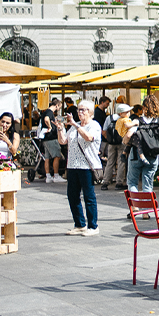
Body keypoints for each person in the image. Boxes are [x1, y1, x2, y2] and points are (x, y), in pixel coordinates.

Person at [63, 99, 102, 236]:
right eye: (78, 109)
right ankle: (79, 224)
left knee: (88, 196)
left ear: (90, 112)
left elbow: (88, 137)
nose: (79, 112)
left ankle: (93, 226)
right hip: (72, 165)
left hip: (87, 166)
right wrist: (59, 127)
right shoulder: (75, 126)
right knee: (72, 195)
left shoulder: (94, 125)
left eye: (83, 110)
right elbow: (63, 141)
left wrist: (73, 124)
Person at [125, 97, 159, 193]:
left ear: (144, 108)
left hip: (136, 155)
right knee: (148, 184)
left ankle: (135, 206)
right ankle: (146, 206)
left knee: (132, 182)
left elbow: (128, 135)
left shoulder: (138, 121)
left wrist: (125, 141)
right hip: (152, 155)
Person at [99, 102, 130, 191]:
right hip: (122, 143)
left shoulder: (110, 118)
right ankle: (119, 182)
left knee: (110, 162)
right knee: (121, 162)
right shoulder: (125, 119)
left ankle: (105, 182)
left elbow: (104, 131)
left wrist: (109, 140)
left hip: (111, 143)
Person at [38, 98, 64, 183]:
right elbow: (46, 119)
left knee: (47, 158)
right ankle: (56, 175)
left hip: (45, 138)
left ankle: (48, 176)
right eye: (59, 107)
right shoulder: (49, 112)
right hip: (51, 137)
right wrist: (50, 127)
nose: (59, 109)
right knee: (57, 156)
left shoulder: (45, 111)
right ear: (56, 105)